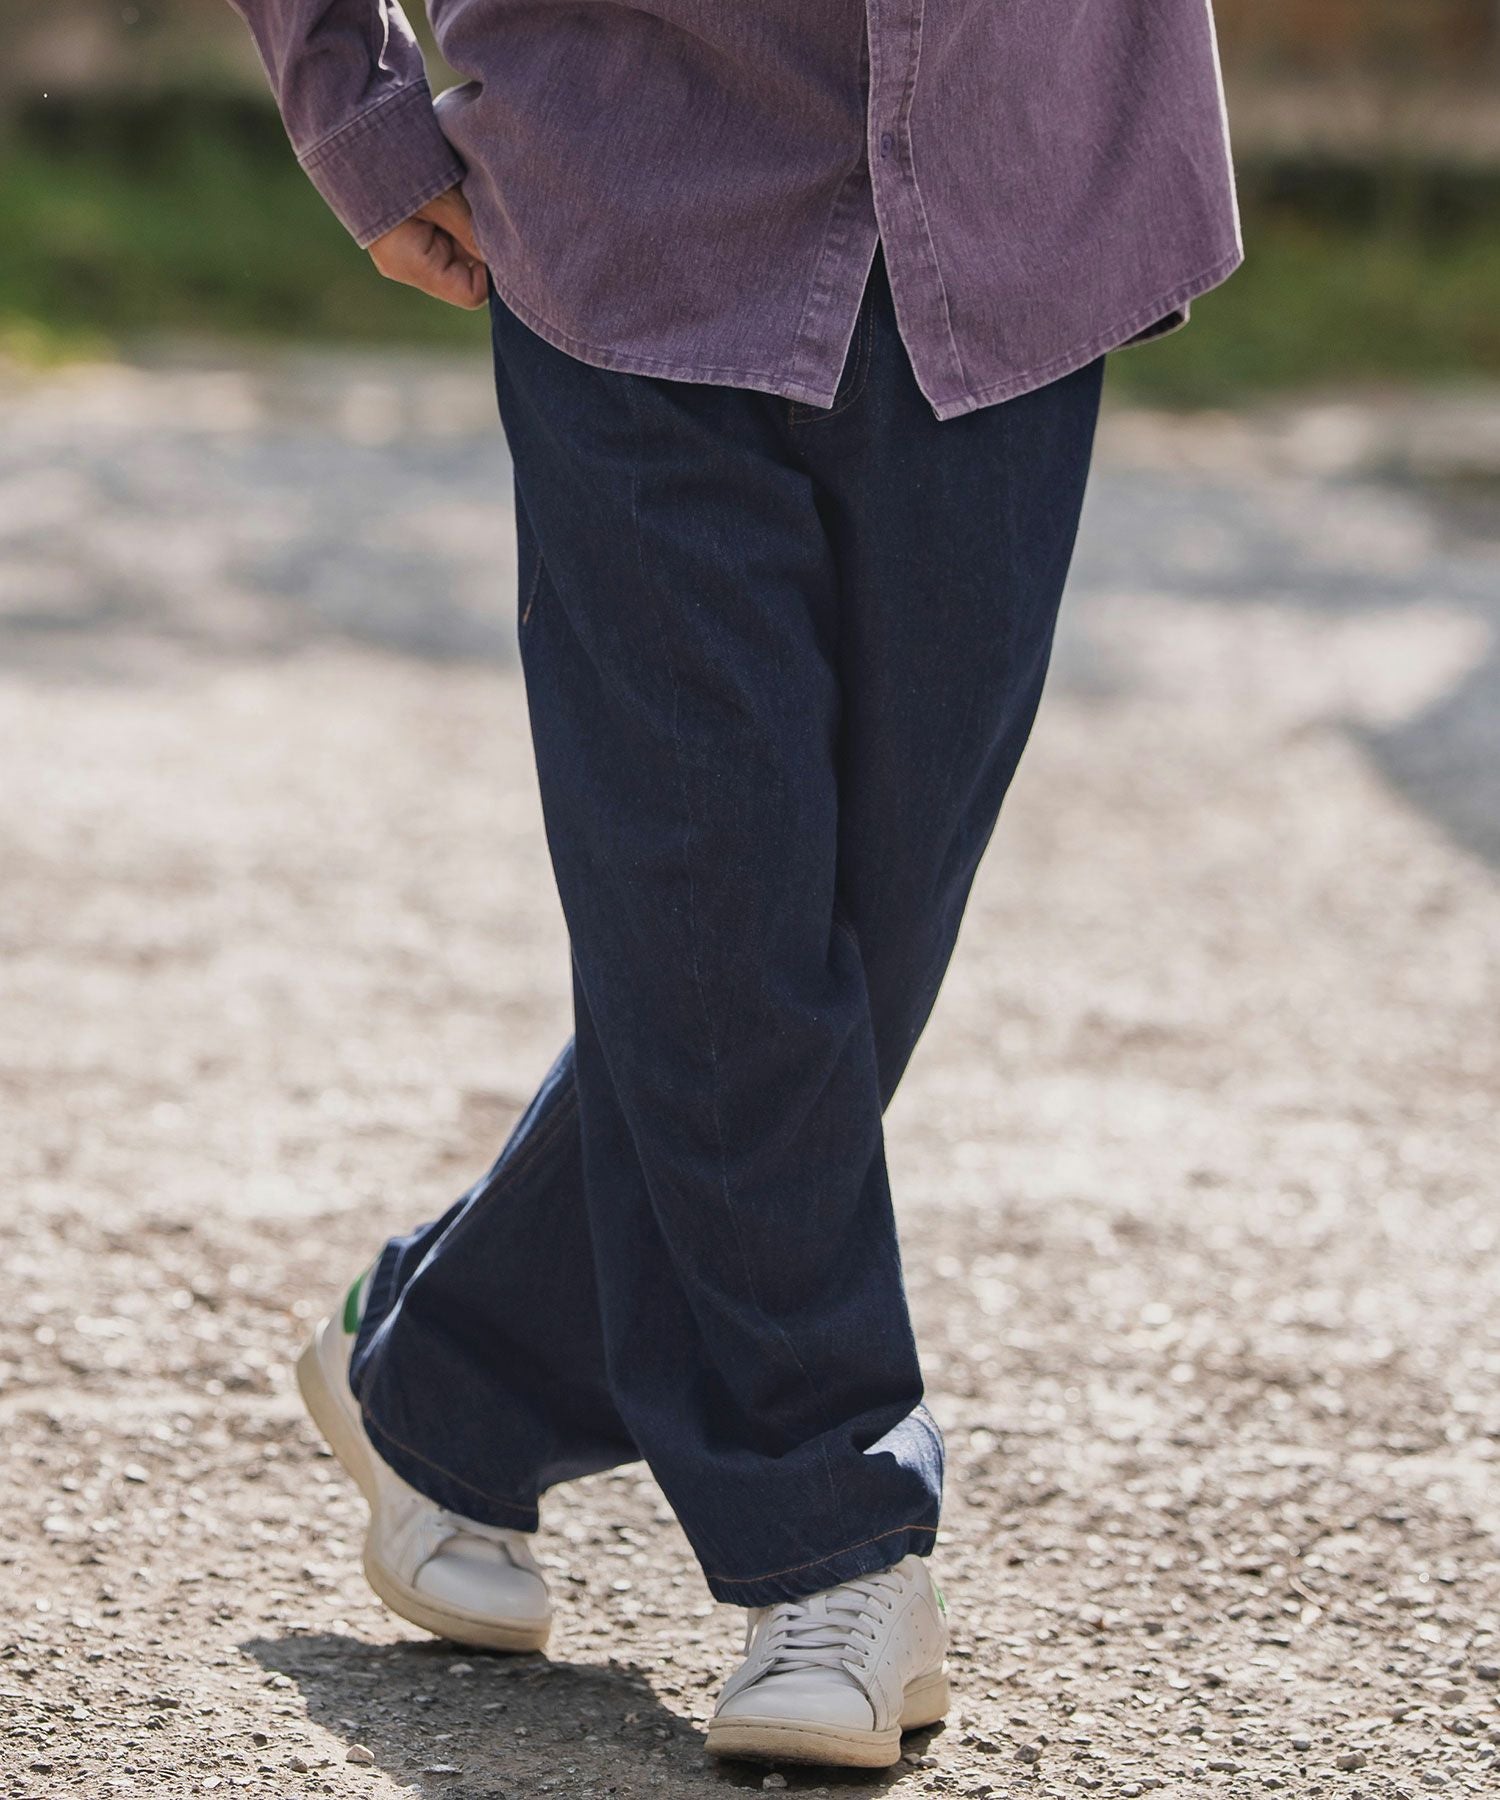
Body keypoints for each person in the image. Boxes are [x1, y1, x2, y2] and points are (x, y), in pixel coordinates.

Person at [228, 0, 1240, 1770]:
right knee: (714, 901)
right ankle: (832, 1547)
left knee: (858, 936)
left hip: (1023, 200)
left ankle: (450, 1378)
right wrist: (350, 103)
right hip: (624, 182)